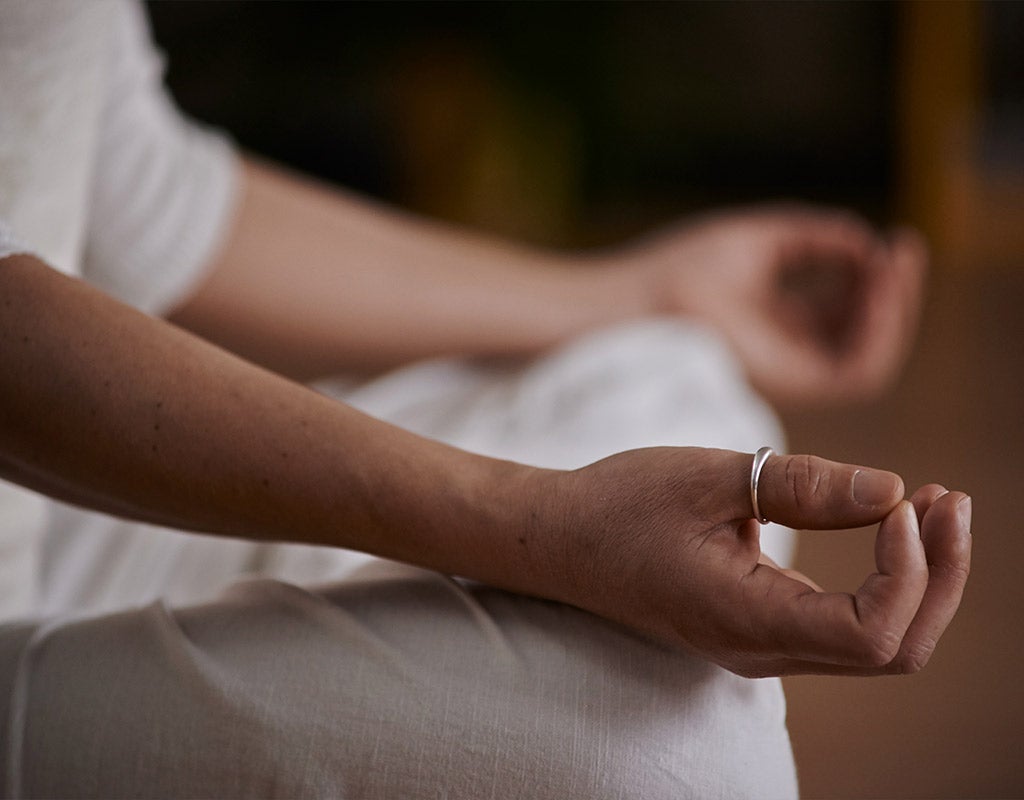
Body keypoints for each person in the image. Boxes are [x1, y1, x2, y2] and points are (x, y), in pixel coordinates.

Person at [0, 1, 971, 798]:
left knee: (672, 368)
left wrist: (639, 294)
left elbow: (139, 186)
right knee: (674, 756)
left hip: (65, 512)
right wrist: (531, 521)